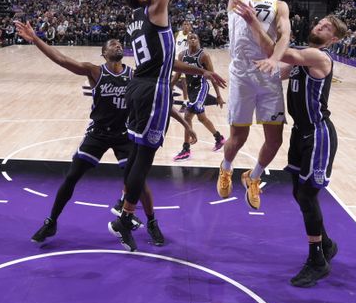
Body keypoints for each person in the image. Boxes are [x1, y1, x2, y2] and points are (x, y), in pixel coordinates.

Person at [14, 21, 213, 246]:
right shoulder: (95, 71)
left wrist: (185, 124)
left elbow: (159, 101)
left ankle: (152, 222)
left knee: (139, 182)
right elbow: (62, 59)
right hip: (98, 133)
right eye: (112, 44)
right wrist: (36, 39)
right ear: (104, 53)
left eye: (119, 43)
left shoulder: (135, 75)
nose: (117, 45)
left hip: (124, 135)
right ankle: (51, 222)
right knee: (72, 176)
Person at [237, 2, 347, 287]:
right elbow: (273, 70)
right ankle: (328, 244)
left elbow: (282, 53)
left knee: (308, 195)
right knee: (299, 193)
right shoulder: (301, 60)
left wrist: (253, 23)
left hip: (318, 134)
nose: (320, 26)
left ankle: (317, 260)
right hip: (300, 134)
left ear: (333, 39)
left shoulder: (317, 56)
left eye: (328, 28)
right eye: (320, 23)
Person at [109, 0, 180, 252]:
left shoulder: (134, 21)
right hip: (153, 89)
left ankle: (125, 211)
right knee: (146, 157)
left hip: (138, 85)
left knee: (138, 153)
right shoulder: (153, 8)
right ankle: (124, 217)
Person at [209, 0, 291, 210]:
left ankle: (253, 177)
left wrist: (275, 59)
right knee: (238, 137)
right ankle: (226, 166)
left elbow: (285, 37)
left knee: (275, 139)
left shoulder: (279, 5)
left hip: (268, 77)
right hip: (242, 74)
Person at [170, 32, 226, 161]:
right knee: (201, 118)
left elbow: (212, 75)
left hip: (201, 87)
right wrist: (169, 86)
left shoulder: (204, 56)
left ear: (198, 40)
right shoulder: (182, 55)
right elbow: (178, 74)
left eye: (195, 37)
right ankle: (219, 138)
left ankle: (186, 149)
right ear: (187, 41)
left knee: (188, 115)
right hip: (191, 89)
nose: (193, 39)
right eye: (191, 38)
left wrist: (218, 95)